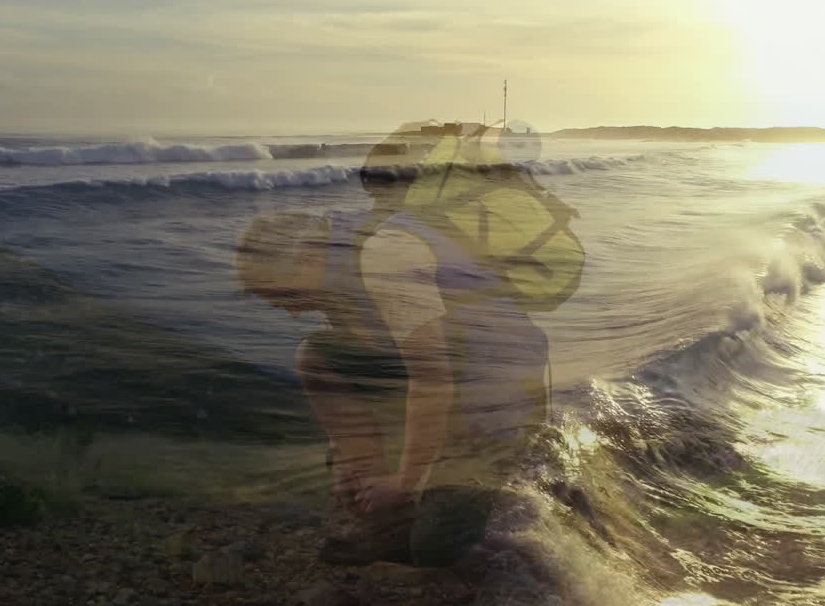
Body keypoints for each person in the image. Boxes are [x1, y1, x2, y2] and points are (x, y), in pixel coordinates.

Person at [237, 126, 575, 566]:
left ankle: (521, 511)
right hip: (455, 379)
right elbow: (393, 364)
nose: (292, 312)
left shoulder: (385, 256)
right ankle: (385, 502)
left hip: (497, 398)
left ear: (302, 259)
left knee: (438, 551)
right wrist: (353, 463)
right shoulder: (341, 260)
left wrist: (406, 483)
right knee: (318, 355)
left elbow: (432, 380)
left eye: (282, 296)